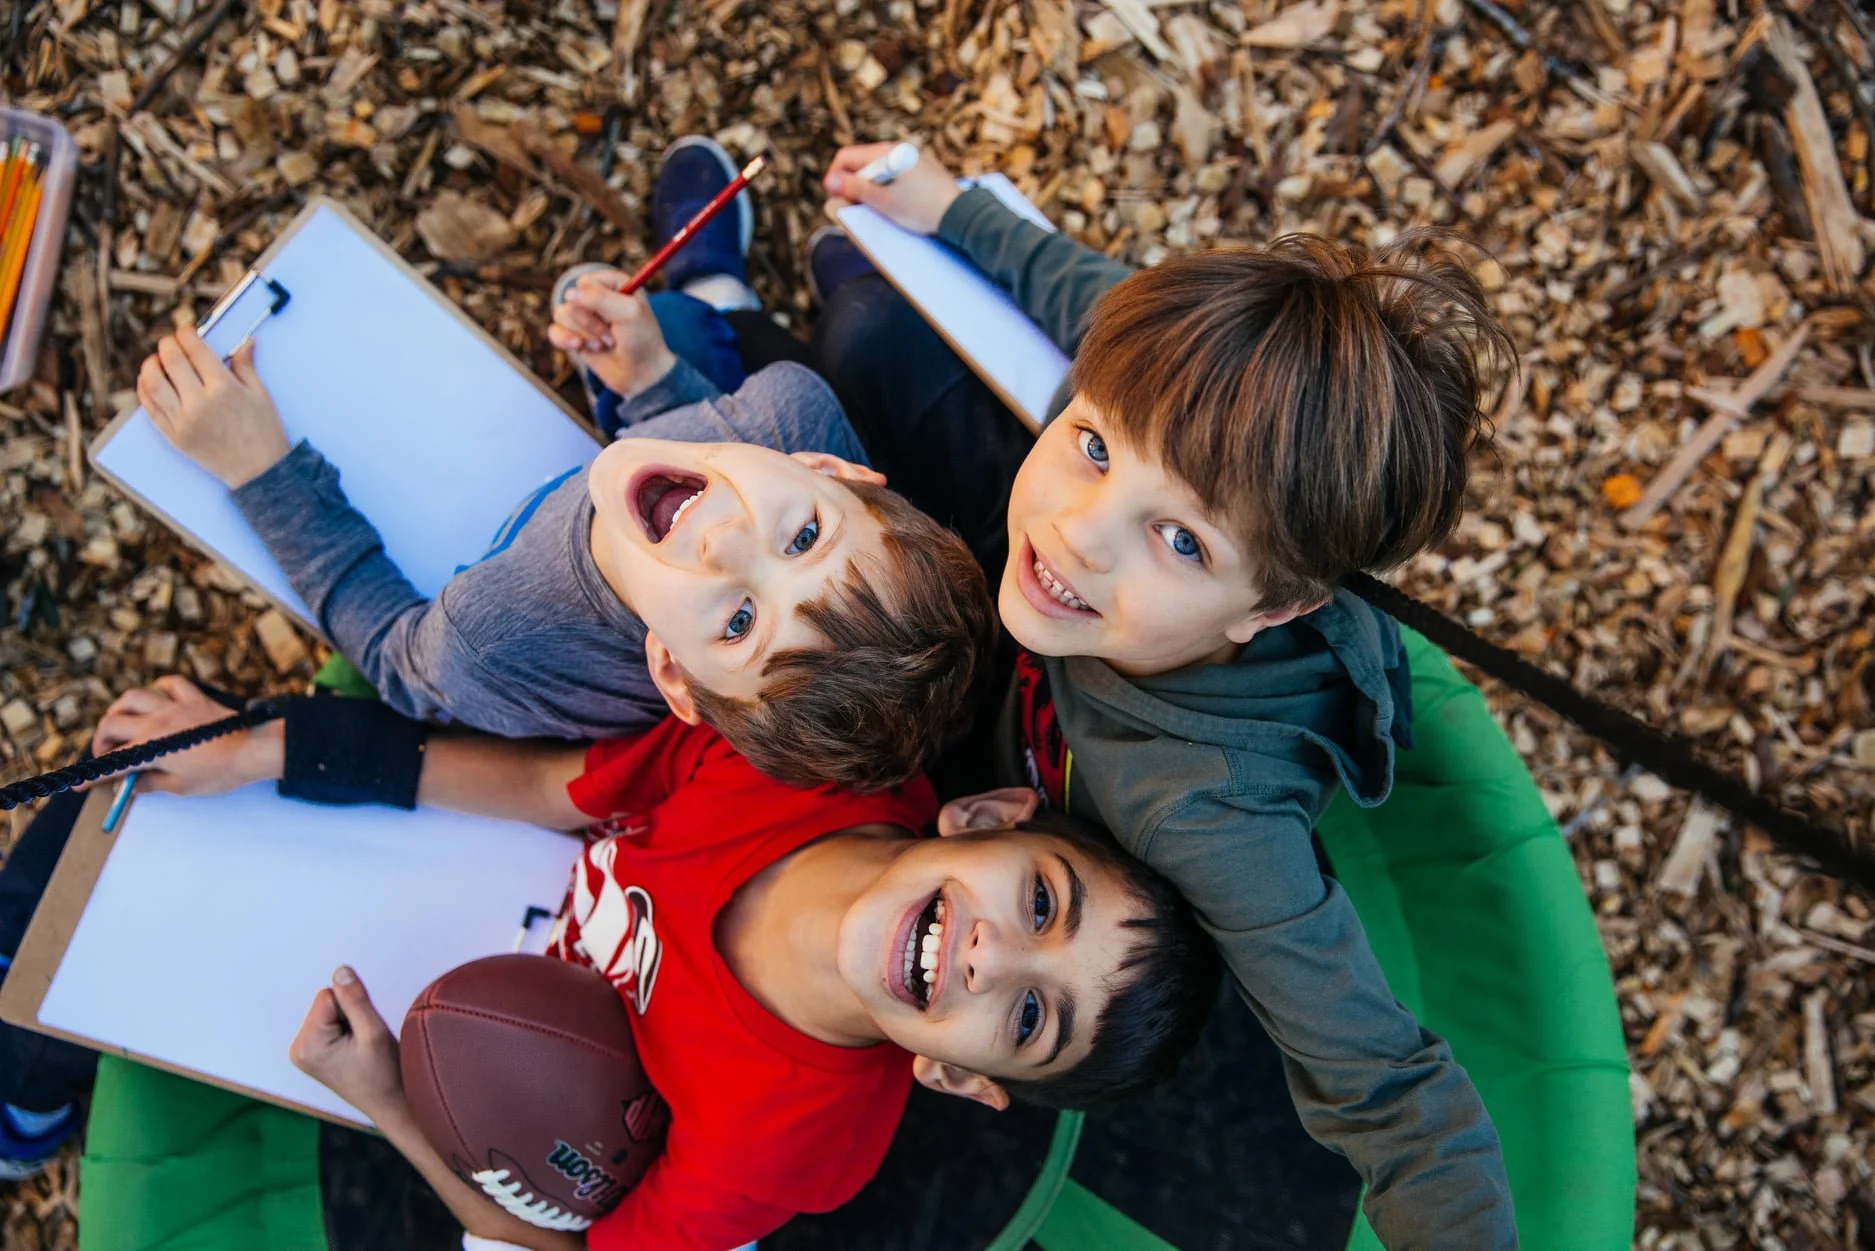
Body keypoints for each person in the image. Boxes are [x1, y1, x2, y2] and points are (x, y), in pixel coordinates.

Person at [809, 143, 1521, 1247]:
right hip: (1017, 653)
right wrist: (954, 212)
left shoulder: (1208, 813)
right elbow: (1100, 303)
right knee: (862, 323)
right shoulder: (1117, 484)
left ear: (1269, 609)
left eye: (1181, 539)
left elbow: (1389, 1092)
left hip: (1001, 810)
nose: (1080, 533)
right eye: (1095, 446)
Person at [73, 677, 1219, 1251]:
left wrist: (390, 1106)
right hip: (463, 894)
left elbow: (573, 1248)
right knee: (72, 860)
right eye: (1040, 903)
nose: (991, 958)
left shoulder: (776, 1147)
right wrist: (264, 749)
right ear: (984, 817)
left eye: (1029, 1019)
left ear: (957, 1076)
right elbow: (547, 784)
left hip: (486, 1066)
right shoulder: (808, 764)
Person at [132, 136, 994, 793]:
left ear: (672, 672)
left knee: (640, 315)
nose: (725, 539)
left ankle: (709, 298)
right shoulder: (786, 409)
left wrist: (261, 469)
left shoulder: (495, 639)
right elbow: (704, 425)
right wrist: (654, 382)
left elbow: (395, 657)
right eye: (802, 536)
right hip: (679, 418)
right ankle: (714, 295)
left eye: (738, 623)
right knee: (650, 321)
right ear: (830, 468)